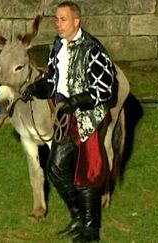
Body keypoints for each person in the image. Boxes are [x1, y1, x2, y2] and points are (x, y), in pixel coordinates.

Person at [21, 1, 116, 242]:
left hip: (86, 118)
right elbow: (53, 80)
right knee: (56, 167)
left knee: (88, 172)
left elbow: (105, 89)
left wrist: (77, 101)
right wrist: (36, 88)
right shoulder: (57, 46)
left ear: (76, 21)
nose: (58, 23)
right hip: (65, 117)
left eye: (63, 19)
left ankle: (91, 228)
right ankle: (77, 218)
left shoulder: (93, 49)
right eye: (56, 19)